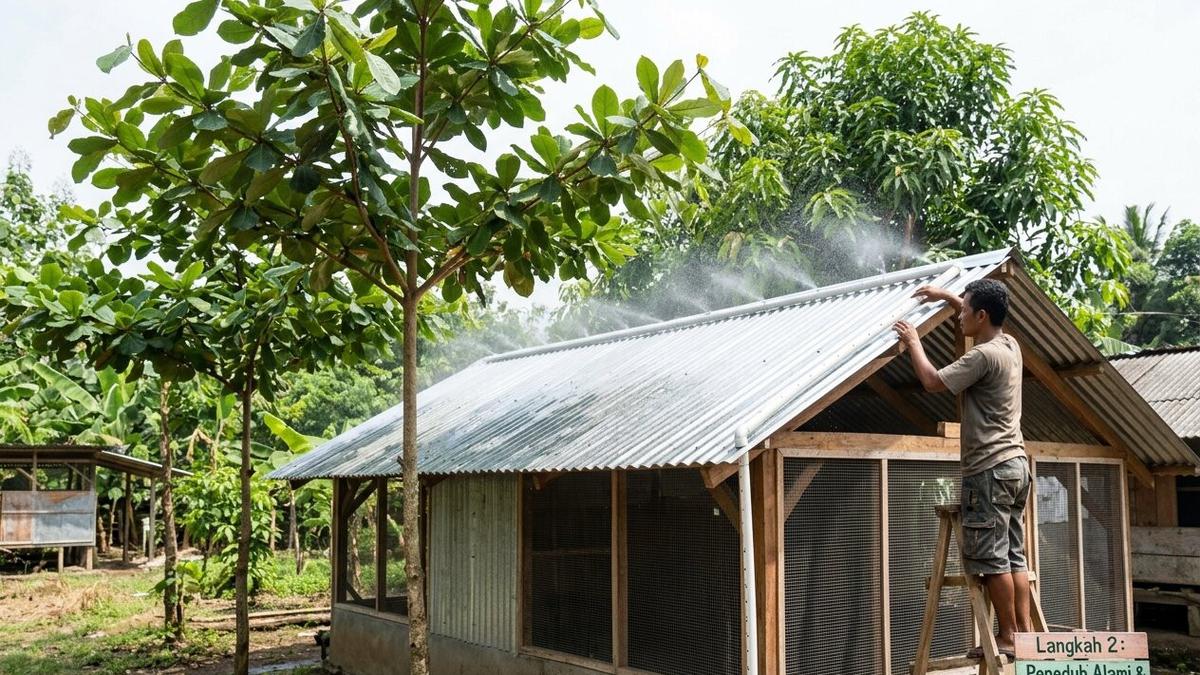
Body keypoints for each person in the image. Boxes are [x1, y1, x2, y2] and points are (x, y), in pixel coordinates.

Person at [892, 279, 1032, 659]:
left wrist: (914, 341)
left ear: (982, 315)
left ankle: (1007, 636)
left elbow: (932, 381)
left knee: (992, 559)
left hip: (989, 470)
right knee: (1014, 555)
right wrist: (948, 297)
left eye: (965, 310)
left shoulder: (981, 357)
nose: (959, 316)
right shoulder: (1010, 345)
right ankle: (1025, 634)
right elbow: (976, 311)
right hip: (1016, 466)